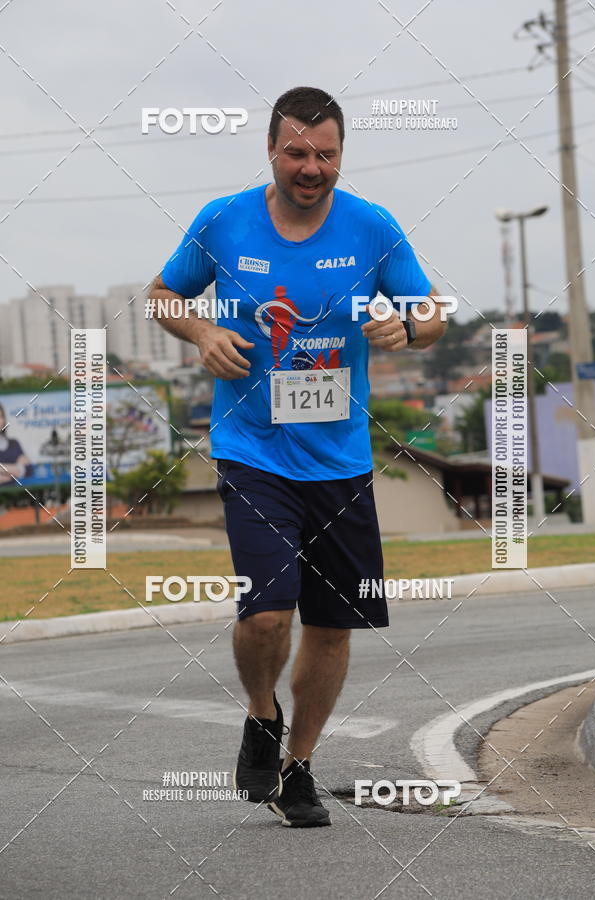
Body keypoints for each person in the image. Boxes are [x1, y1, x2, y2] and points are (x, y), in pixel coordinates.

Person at [149, 86, 447, 828]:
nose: (311, 167)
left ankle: (299, 767)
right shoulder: (224, 221)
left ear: (341, 154)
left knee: (333, 624)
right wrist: (202, 333)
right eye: (296, 153)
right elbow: (162, 294)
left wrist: (409, 331)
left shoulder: (372, 227)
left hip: (341, 462)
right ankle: (260, 712)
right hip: (252, 451)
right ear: (271, 152)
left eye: (326, 154)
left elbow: (432, 311)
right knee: (265, 614)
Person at [0, 403, 31, 484]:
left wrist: (4, 473)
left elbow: (28, 469)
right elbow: (19, 472)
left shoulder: (14, 444)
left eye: (0, 416)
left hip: (18, 495)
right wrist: (14, 471)